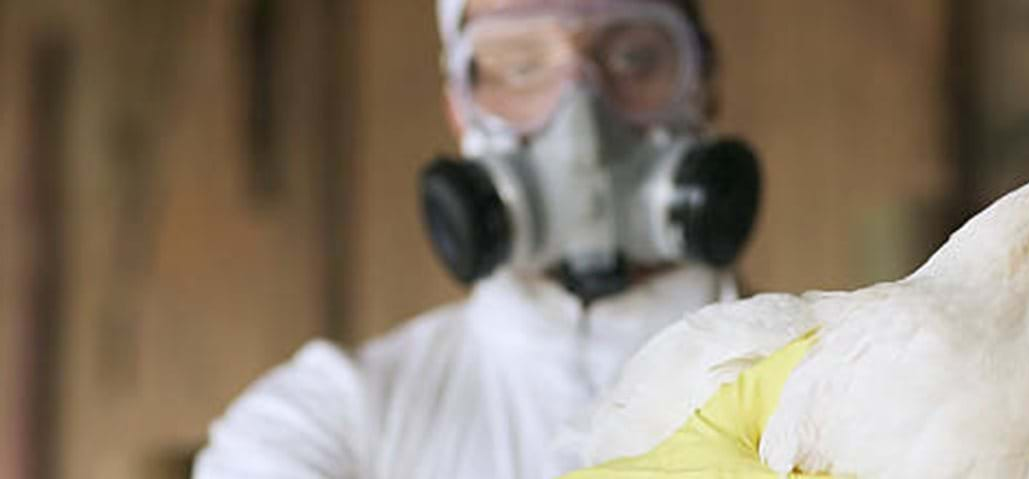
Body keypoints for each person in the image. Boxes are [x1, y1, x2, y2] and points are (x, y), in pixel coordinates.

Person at [193, 0, 761, 477]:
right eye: (520, 66)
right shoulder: (322, 421)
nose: (581, 123)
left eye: (634, 57)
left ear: (702, 86)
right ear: (459, 108)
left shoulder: (831, 402)